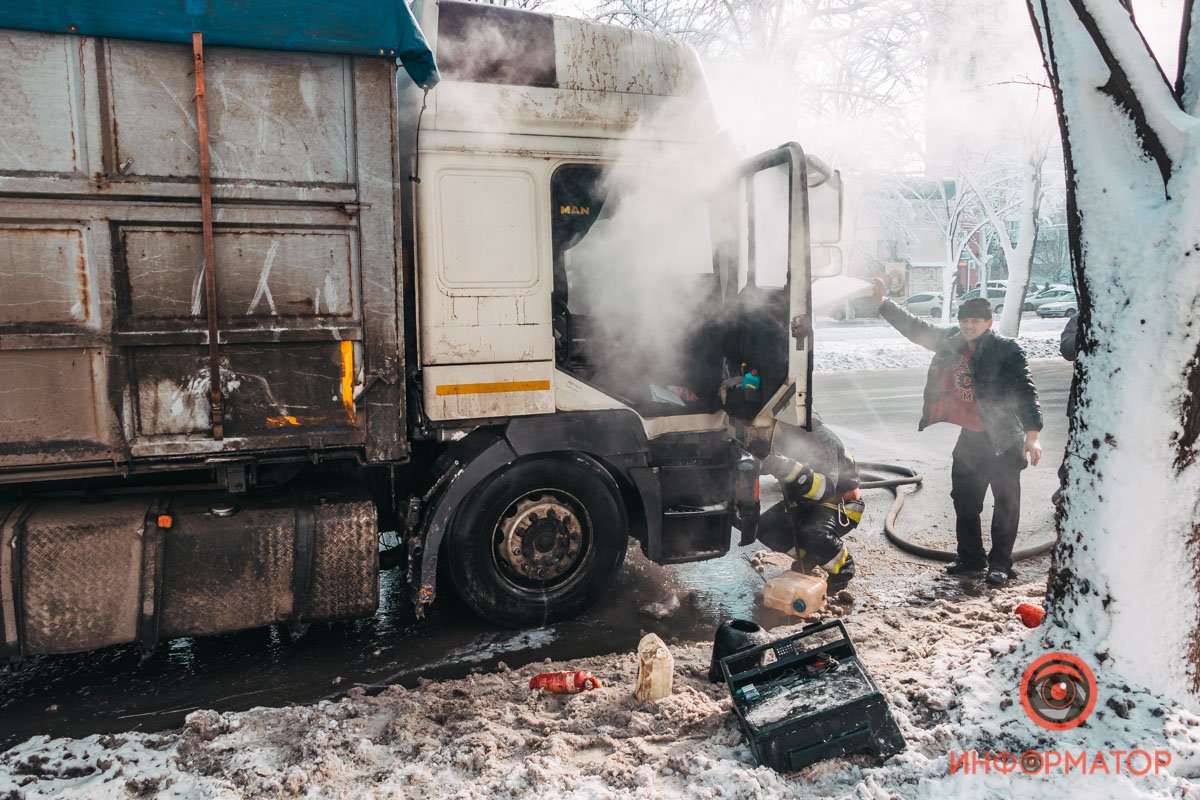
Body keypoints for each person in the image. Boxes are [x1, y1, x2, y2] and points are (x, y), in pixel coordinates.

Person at [872, 278, 1043, 587]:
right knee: (964, 500)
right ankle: (971, 557)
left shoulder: (1006, 349)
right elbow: (916, 329)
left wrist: (1033, 435)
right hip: (971, 438)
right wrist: (883, 303)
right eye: (964, 320)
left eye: (975, 321)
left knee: (1006, 503)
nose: (968, 326)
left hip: (1004, 437)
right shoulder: (951, 340)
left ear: (989, 323)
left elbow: (1025, 390)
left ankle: (1000, 563)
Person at [756, 415, 864, 592]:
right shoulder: (785, 439)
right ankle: (811, 557)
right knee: (765, 527)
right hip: (807, 503)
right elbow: (765, 464)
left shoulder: (823, 440)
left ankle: (843, 569)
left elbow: (825, 488)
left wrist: (786, 468)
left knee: (814, 532)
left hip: (840, 504)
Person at [1053, 312, 1079, 506]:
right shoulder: (1081, 318)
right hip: (1082, 401)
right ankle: (1066, 485)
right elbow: (1067, 350)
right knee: (1075, 446)